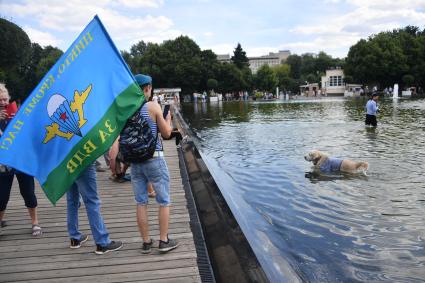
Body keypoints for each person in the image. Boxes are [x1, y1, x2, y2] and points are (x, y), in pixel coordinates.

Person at [130, 74, 178, 254]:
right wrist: (168, 119)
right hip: (154, 157)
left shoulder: (128, 108)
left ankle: (146, 243)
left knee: (140, 202)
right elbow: (166, 134)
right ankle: (164, 241)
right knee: (164, 200)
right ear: (147, 88)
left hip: (135, 161)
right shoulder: (152, 106)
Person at [0, 83, 42, 236]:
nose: (3, 103)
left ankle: (35, 223)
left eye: (5, 99)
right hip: (3, 164)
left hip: (22, 161)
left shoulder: (17, 114)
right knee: (2, 196)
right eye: (0, 100)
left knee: (29, 192)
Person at [67, 163, 123, 254]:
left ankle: (74, 237)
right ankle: (102, 242)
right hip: (83, 160)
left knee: (72, 201)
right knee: (91, 201)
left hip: (67, 164)